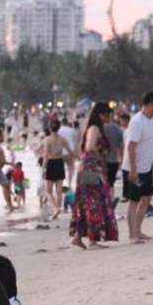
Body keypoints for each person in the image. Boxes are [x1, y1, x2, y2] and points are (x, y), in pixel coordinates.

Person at [70, 102, 118, 250]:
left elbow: (83, 149)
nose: (109, 118)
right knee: (93, 204)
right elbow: (90, 147)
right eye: (108, 114)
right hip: (91, 169)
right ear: (101, 115)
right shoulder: (95, 128)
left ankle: (78, 237)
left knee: (86, 203)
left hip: (86, 168)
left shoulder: (91, 128)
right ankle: (92, 241)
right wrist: (99, 160)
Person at [123, 92, 153, 244]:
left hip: (146, 167)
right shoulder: (137, 121)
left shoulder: (150, 121)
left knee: (146, 198)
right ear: (152, 103)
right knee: (134, 200)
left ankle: (138, 230)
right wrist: (133, 170)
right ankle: (132, 235)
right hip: (135, 168)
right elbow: (131, 147)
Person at [43, 120, 70, 218]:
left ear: (50, 128)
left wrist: (43, 169)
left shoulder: (47, 140)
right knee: (59, 189)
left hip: (51, 163)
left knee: (49, 190)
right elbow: (70, 151)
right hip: (60, 162)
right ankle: (57, 209)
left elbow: (46, 155)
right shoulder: (62, 139)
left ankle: (56, 208)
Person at [104, 112, 125, 202]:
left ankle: (108, 198)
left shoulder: (104, 128)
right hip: (115, 159)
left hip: (105, 159)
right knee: (111, 182)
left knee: (105, 182)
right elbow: (121, 146)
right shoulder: (118, 129)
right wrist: (122, 158)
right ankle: (112, 197)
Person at [58, 118, 78, 187]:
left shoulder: (59, 130)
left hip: (61, 152)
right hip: (70, 151)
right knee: (70, 168)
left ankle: (61, 184)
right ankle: (69, 184)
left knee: (60, 169)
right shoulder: (72, 130)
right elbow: (75, 141)